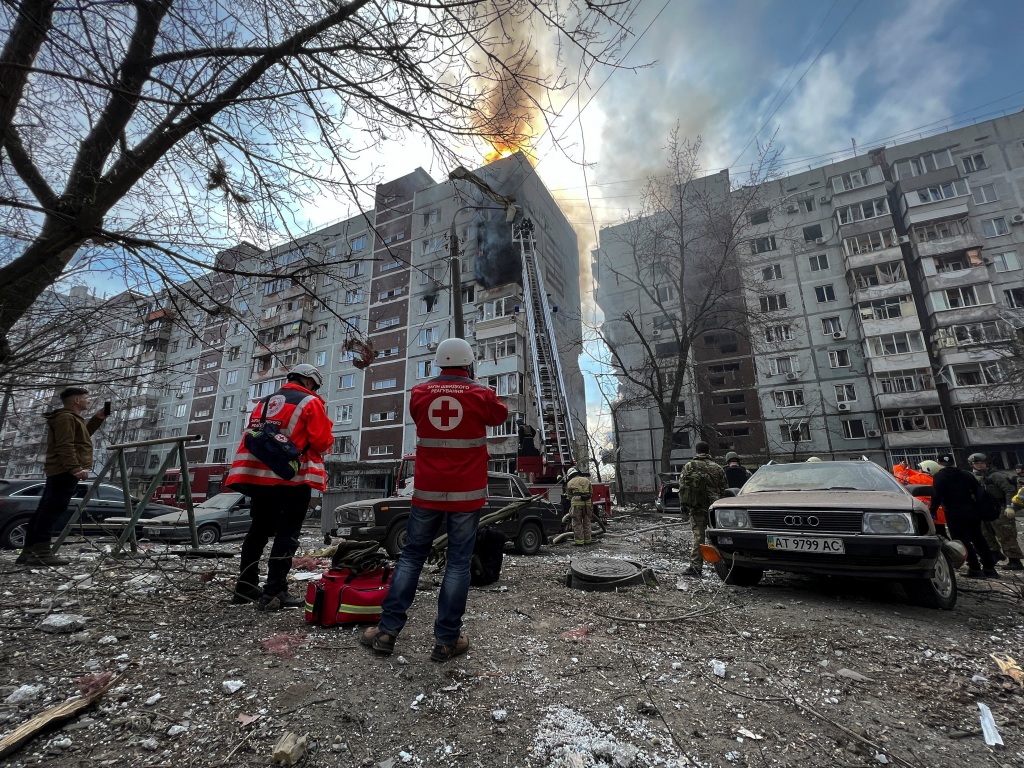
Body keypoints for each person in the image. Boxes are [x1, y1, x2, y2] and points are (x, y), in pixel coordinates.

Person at [360, 338, 507, 662]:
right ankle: (446, 641)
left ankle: (387, 631)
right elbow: (500, 415)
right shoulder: (480, 395)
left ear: (440, 362)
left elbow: (420, 414)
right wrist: (475, 386)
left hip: (426, 492)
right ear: (468, 363)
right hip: (465, 496)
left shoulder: (420, 393)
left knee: (412, 557)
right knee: (457, 563)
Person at [226, 363, 333, 609]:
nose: (314, 390)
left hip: (259, 479)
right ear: (308, 382)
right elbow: (321, 441)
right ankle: (274, 591)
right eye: (314, 386)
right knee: (287, 534)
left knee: (258, 531)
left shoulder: (264, 402)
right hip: (290, 478)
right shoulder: (310, 402)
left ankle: (245, 587)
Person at [16, 387, 108, 566]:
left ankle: (29, 552)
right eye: (85, 398)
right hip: (64, 470)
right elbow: (65, 445)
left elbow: (80, 438)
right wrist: (74, 468)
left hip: (60, 470)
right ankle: (41, 554)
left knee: (44, 511)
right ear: (76, 400)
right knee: (51, 511)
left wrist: (97, 420)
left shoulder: (69, 418)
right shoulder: (65, 418)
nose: (88, 401)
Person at [930, 453, 998, 579]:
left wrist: (932, 511)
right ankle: (990, 568)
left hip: (954, 513)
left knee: (962, 540)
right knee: (978, 538)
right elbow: (979, 491)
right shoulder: (966, 474)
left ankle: (974, 568)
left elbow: (937, 496)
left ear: (938, 462)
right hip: (972, 511)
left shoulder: (940, 476)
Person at [678, 441, 727, 578]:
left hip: (696, 507)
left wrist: (684, 508)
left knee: (699, 537)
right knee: (719, 537)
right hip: (714, 508)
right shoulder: (717, 468)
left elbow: (682, 488)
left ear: (697, 451)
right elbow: (724, 488)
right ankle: (724, 565)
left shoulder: (689, 466)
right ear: (709, 450)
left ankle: (696, 568)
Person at [968, 452, 1022, 571]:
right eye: (976, 463)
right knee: (986, 533)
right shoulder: (972, 477)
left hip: (999, 507)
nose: (979, 465)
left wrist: (1010, 506)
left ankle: (1014, 559)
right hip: (983, 509)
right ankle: (995, 554)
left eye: (981, 463)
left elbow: (1009, 490)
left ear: (987, 463)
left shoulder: (996, 476)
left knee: (1006, 534)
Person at [564, 465, 594, 545]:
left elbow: (569, 496)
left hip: (576, 504)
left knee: (577, 523)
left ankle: (579, 541)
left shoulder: (570, 483)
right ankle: (588, 540)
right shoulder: (586, 480)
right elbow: (591, 492)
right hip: (587, 504)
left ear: (570, 475)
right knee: (587, 522)